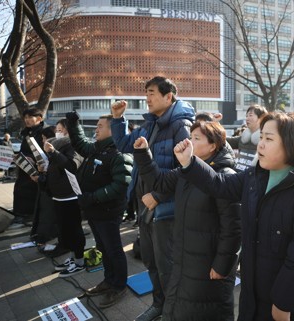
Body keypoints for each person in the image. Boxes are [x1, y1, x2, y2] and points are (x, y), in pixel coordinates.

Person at [174, 112, 294, 321]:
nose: (261, 145)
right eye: (261, 137)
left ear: (291, 144)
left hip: (290, 303)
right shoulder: (256, 175)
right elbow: (220, 185)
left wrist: (284, 302)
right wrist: (189, 162)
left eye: (269, 139)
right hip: (253, 291)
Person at [133, 121, 241, 321]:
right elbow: (160, 182)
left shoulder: (226, 176)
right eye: (190, 137)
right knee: (182, 307)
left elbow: (233, 228)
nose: (189, 142)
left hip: (209, 264)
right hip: (186, 256)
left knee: (207, 310)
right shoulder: (188, 170)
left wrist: (222, 265)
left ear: (213, 146)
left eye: (196, 138)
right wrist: (143, 154)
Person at [110, 76, 195, 321]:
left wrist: (158, 196)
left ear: (168, 97)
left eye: (151, 93)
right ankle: (159, 305)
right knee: (151, 261)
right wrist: (118, 119)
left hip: (165, 208)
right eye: (146, 92)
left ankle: (172, 311)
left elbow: (188, 169)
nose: (146, 98)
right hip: (144, 206)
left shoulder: (182, 126)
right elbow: (125, 145)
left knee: (167, 264)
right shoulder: (151, 123)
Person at [66, 112, 133, 308]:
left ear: (113, 130)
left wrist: (93, 197)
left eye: (99, 126)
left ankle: (119, 286)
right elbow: (80, 143)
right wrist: (73, 123)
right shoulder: (97, 148)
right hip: (94, 210)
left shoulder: (120, 152)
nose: (95, 130)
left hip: (108, 211)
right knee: (103, 248)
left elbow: (121, 184)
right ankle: (108, 280)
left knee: (113, 250)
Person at [38, 119, 86, 276]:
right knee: (65, 232)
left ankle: (79, 261)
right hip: (58, 196)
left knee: (74, 231)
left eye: (60, 129)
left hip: (70, 197)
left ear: (68, 131)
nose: (57, 132)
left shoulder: (74, 146)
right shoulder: (57, 146)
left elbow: (71, 166)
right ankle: (73, 257)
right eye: (57, 129)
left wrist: (53, 153)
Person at [11, 107, 45, 228]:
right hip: (24, 169)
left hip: (36, 170)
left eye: (30, 117)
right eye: (25, 117)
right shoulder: (26, 133)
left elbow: (45, 152)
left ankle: (29, 217)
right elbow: (23, 150)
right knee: (20, 190)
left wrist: (32, 158)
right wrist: (17, 157)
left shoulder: (44, 133)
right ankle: (19, 215)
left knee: (32, 193)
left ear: (39, 119)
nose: (27, 120)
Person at [226, 104, 267, 171]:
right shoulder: (243, 137)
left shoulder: (267, 139)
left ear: (261, 118)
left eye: (250, 115)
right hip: (239, 174)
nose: (247, 118)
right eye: (246, 116)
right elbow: (226, 140)